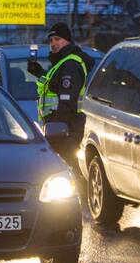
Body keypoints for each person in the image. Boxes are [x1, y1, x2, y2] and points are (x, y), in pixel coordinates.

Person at [27, 22, 92, 174]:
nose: (53, 43)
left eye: (57, 39)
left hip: (65, 129)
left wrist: (58, 128)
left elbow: (66, 100)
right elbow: (54, 86)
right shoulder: (61, 63)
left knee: (67, 171)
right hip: (58, 128)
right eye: (51, 40)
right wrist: (38, 72)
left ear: (67, 40)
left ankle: (80, 197)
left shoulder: (70, 64)